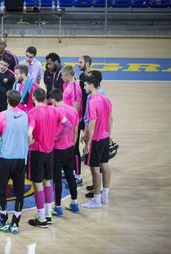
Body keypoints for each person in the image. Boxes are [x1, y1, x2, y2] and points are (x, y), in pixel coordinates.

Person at [27, 88, 71, 228]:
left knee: (37, 183)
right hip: (50, 151)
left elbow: (29, 132)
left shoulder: (32, 112)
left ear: (33, 98)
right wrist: (56, 137)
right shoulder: (54, 110)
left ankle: (41, 218)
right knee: (47, 182)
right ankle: (48, 214)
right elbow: (68, 126)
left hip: (37, 151)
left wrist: (28, 142)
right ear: (45, 98)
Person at [0, 90, 29, 235]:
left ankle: (3, 219)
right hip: (20, 158)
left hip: (5, 158)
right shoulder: (25, 115)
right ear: (19, 101)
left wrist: (1, 142)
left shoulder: (1, 116)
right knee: (19, 192)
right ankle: (15, 223)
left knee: (1, 190)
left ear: (7, 100)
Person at [81, 75, 113, 209]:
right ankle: (105, 195)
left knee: (95, 169)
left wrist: (88, 142)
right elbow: (111, 119)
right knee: (104, 164)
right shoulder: (106, 99)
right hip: (105, 137)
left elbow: (92, 123)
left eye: (85, 85)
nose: (84, 87)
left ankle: (96, 200)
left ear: (91, 85)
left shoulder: (92, 101)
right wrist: (109, 135)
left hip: (96, 139)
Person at [49, 89, 80, 216]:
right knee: (70, 176)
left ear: (52, 99)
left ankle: (58, 207)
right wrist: (72, 143)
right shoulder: (73, 110)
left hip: (58, 149)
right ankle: (75, 203)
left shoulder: (55, 111)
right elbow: (76, 130)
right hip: (70, 147)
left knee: (56, 179)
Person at [61, 65, 83, 186]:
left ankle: (78, 176)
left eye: (63, 75)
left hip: (72, 124)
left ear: (69, 75)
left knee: (74, 149)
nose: (61, 77)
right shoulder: (68, 85)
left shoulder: (75, 87)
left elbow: (75, 108)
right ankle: (71, 171)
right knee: (69, 148)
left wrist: (72, 124)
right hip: (67, 123)